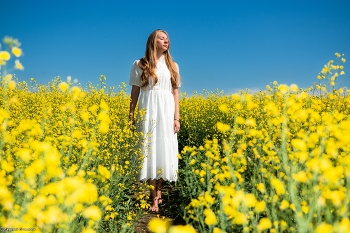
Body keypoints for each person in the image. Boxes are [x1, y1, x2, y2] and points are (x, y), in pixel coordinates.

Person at [129, 29, 181, 212]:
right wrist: (131, 115)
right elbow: (135, 92)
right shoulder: (139, 64)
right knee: (150, 149)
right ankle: (153, 198)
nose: (166, 41)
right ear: (153, 41)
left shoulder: (173, 65)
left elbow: (175, 93)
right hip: (148, 107)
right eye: (162, 38)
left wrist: (177, 118)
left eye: (167, 38)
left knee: (163, 150)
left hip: (166, 109)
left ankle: (159, 193)